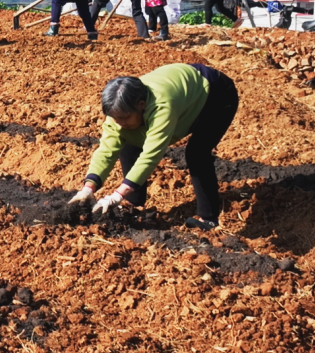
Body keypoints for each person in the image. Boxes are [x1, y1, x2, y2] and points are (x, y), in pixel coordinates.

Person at [68, 63, 240, 230]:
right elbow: (106, 150)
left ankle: (209, 219)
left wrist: (117, 195)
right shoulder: (118, 110)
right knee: (129, 138)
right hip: (183, 93)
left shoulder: (162, 107)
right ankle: (134, 203)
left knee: (197, 153)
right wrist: (88, 188)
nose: (119, 123)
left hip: (215, 96)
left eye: (124, 118)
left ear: (142, 105)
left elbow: (151, 155)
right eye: (114, 118)